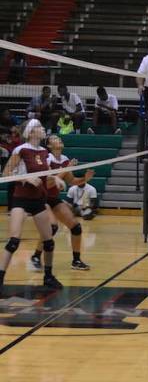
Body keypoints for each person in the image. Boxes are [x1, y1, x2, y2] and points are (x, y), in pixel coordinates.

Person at [0, 120, 62, 290]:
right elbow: (5, 174)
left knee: (49, 242)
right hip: (20, 199)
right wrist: (25, 178)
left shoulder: (44, 152)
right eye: (40, 127)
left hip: (38, 200)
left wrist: (55, 178)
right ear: (31, 132)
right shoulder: (21, 149)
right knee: (13, 241)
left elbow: (46, 175)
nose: (43, 129)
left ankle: (48, 277)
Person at [30, 135, 95, 271]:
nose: (58, 139)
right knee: (52, 227)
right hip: (42, 198)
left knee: (76, 227)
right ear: (48, 145)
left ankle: (76, 261)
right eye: (54, 138)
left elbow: (72, 181)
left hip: (54, 199)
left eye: (59, 138)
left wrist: (85, 178)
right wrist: (67, 168)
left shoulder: (65, 159)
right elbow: (48, 183)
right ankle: (36, 256)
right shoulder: (46, 159)